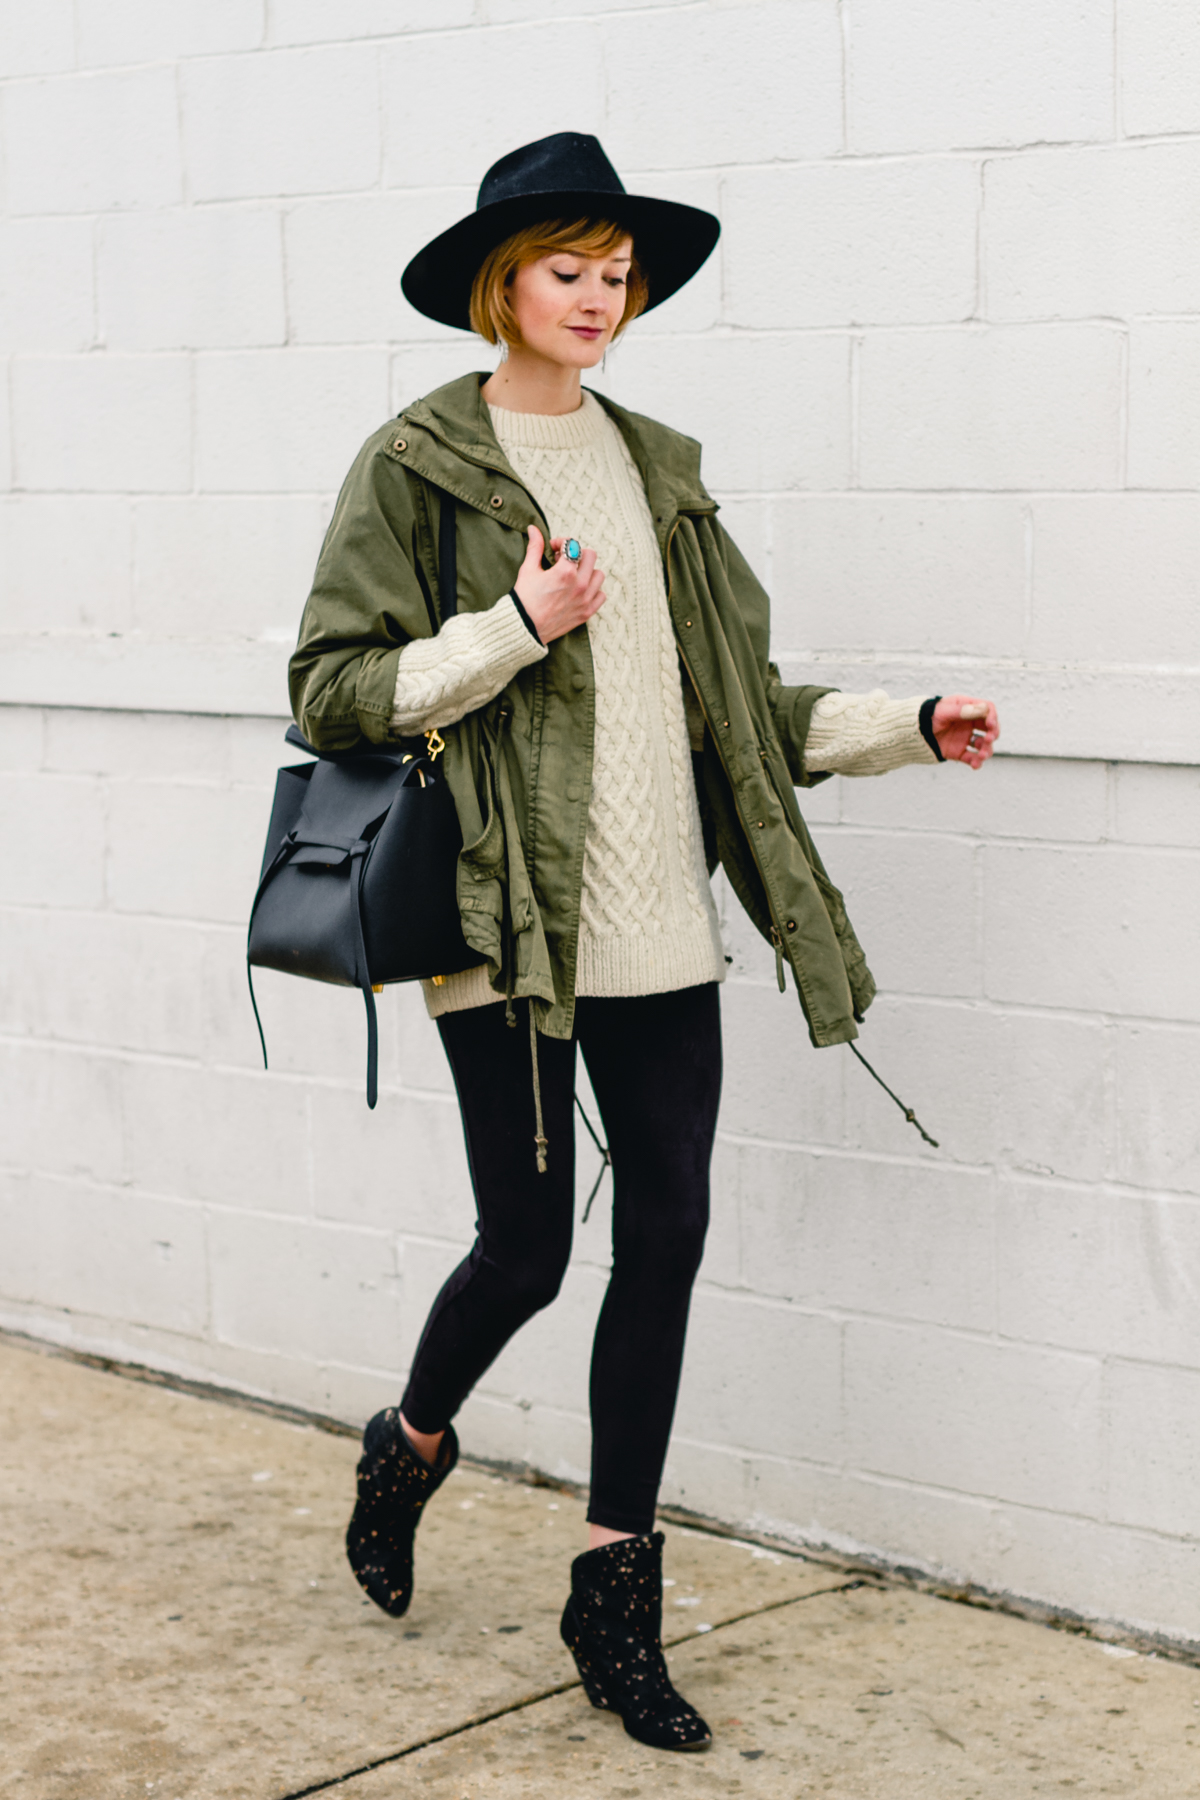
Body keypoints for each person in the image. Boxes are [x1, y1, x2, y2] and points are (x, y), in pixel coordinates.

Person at [288, 132, 999, 1753]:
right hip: (505, 931)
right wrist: (516, 629)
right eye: (568, 270)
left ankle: (614, 1591)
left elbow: (743, 713)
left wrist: (911, 722)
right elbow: (331, 689)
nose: (600, 299)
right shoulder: (417, 468)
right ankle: (407, 1445)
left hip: (663, 929)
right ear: (502, 285)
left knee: (664, 1243)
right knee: (529, 1249)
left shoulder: (662, 469)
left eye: (619, 275)